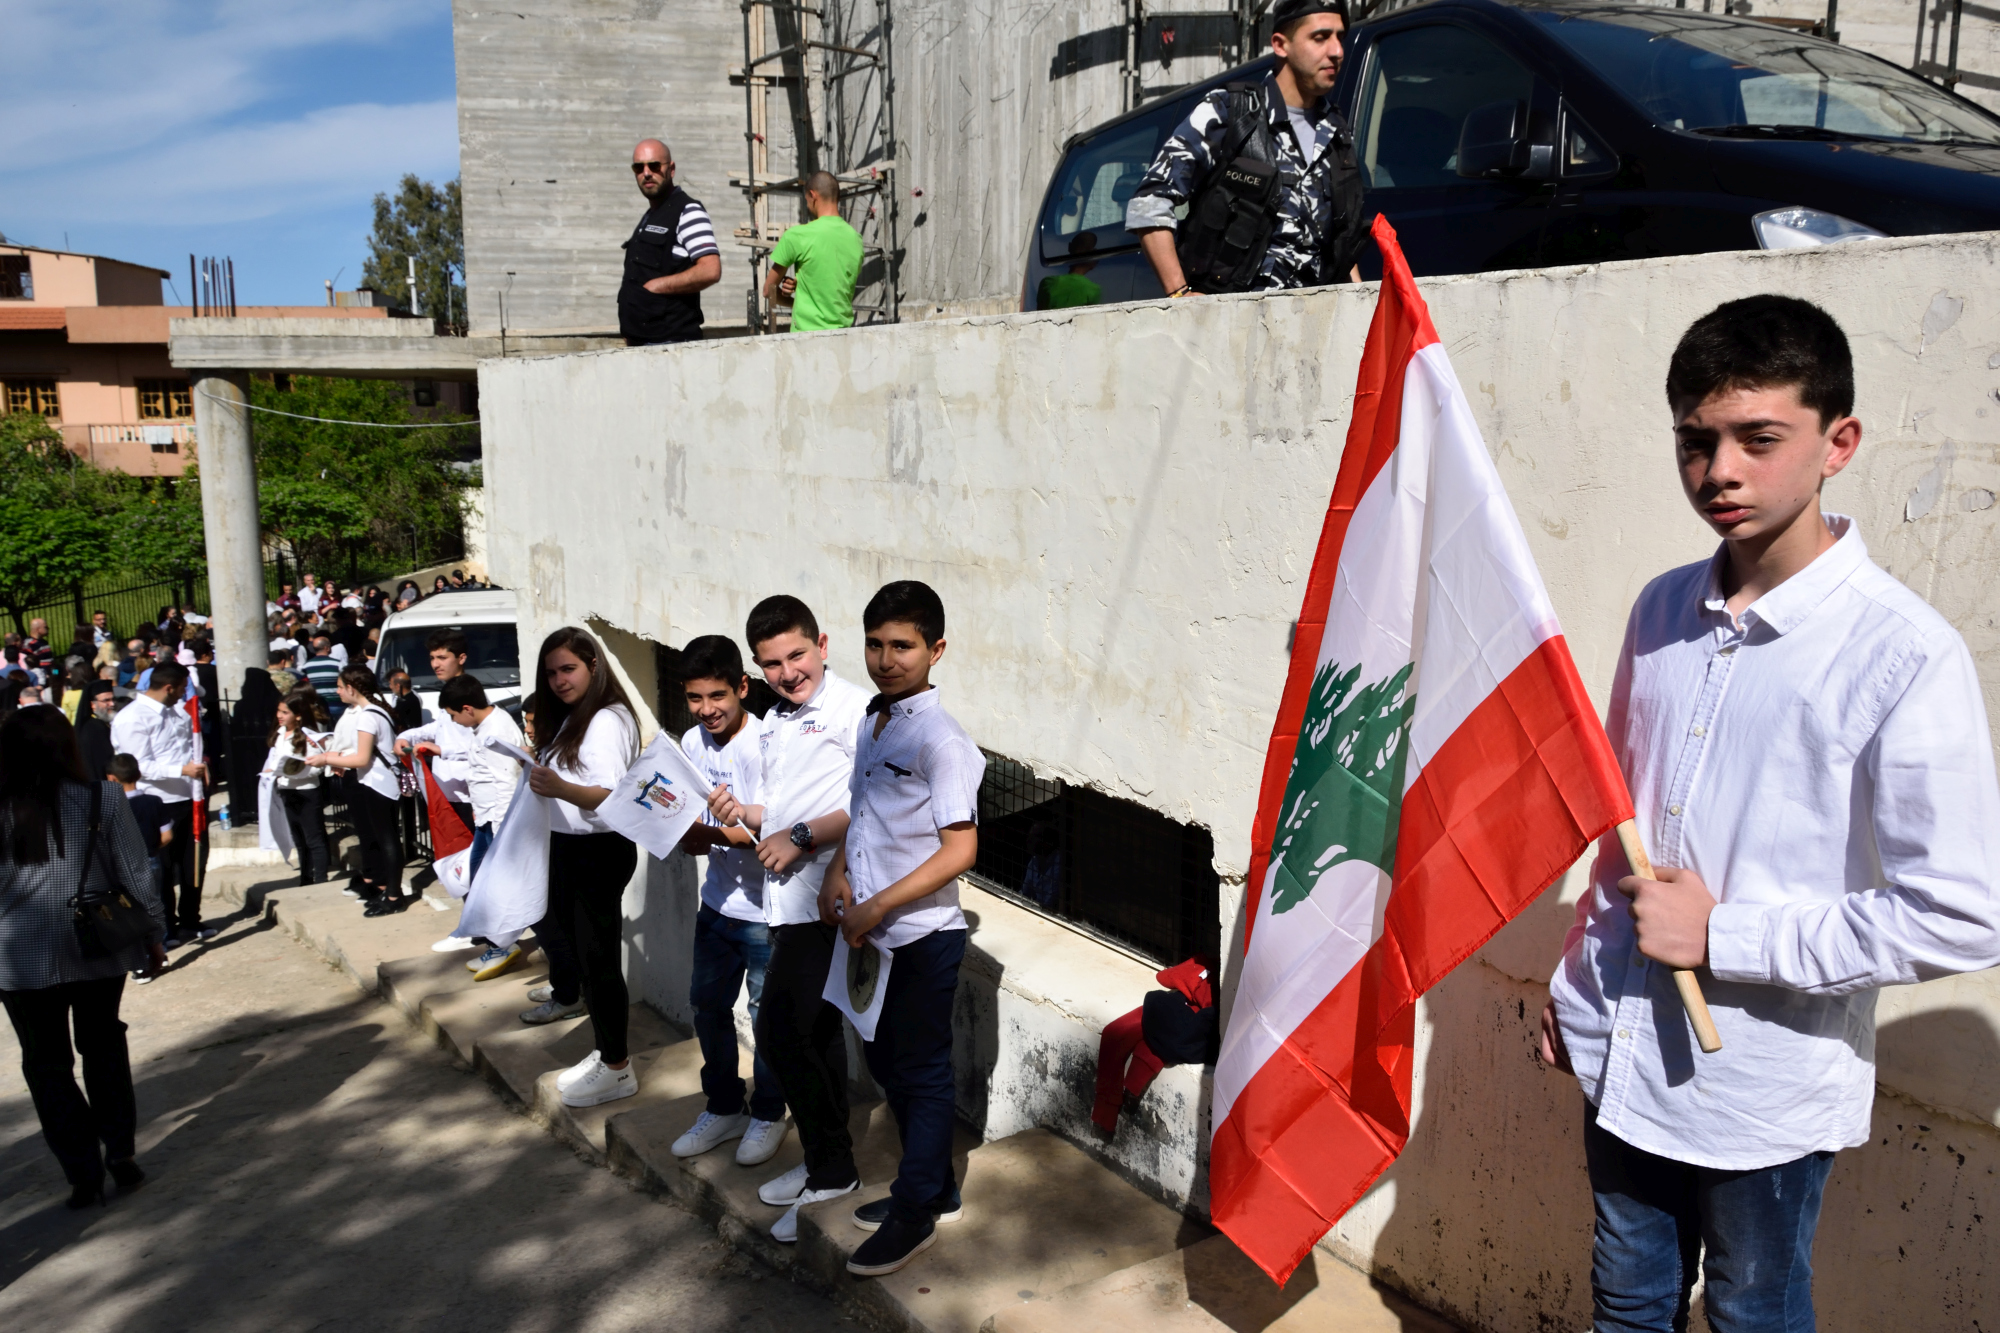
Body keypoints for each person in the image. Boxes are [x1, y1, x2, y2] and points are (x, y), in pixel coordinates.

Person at [1541, 295, 2000, 1333]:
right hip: (1620, 1052)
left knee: (1752, 1312)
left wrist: (1723, 934)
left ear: (1836, 441)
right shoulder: (1660, 605)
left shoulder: (1898, 649)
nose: (1720, 471)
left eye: (1758, 438)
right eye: (1694, 441)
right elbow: (1626, 818)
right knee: (1625, 1302)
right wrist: (1580, 970)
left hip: (1760, 1087)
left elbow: (1962, 910)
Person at [819, 581, 982, 1275]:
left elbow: (960, 849)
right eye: (877, 644)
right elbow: (865, 811)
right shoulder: (873, 718)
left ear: (935, 649)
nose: (887, 659)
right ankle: (934, 1182)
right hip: (872, 935)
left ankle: (916, 1210)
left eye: (904, 646)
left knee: (920, 1070)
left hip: (920, 937)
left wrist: (879, 904)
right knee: (887, 1065)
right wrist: (837, 871)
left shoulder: (942, 740)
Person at [708, 595, 870, 1244]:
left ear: (823, 644)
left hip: (827, 901)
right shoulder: (777, 718)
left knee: (781, 1031)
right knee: (815, 1035)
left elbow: (871, 799)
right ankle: (826, 1161)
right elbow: (784, 805)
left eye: (797, 654)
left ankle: (832, 1170)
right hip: (786, 900)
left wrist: (803, 835)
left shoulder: (853, 709)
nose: (787, 670)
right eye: (772, 662)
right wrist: (744, 811)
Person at [0, 707, 166, 1207]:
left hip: (18, 956)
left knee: (46, 1065)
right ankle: (120, 1153)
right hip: (95, 942)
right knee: (103, 1046)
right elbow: (136, 874)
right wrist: (153, 932)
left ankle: (82, 1173)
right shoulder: (103, 797)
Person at [1126, 0, 1365, 298]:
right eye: (1320, 37)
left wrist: (1359, 304)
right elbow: (1150, 201)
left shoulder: (1337, 131)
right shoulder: (1231, 112)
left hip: (1313, 326)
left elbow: (1340, 243)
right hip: (1232, 326)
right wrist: (1180, 295)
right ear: (1280, 45)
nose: (1337, 51)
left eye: (1340, 37)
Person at [668, 635, 787, 1166]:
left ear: (743, 687)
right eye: (695, 698)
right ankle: (723, 1107)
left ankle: (768, 1114)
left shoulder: (765, 745)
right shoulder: (692, 743)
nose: (707, 710)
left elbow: (775, 829)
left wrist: (711, 836)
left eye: (717, 695)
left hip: (767, 912)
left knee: (766, 1021)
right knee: (707, 1007)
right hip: (716, 905)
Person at [524, 628, 643, 1107]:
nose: (558, 680)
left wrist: (559, 788)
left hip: (598, 849)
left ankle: (617, 1067)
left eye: (567, 668)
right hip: (569, 847)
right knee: (582, 959)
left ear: (593, 665)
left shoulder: (607, 720)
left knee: (598, 962)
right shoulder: (578, 716)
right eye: (551, 672)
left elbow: (612, 794)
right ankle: (606, 1052)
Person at [108, 660, 210, 947]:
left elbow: (188, 747)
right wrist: (181, 770)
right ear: (169, 687)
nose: (183, 694)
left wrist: (200, 767)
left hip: (188, 796)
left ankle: (191, 919)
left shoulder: (176, 713)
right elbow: (136, 764)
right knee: (161, 869)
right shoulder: (132, 718)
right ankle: (166, 927)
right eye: (181, 689)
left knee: (194, 861)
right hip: (157, 801)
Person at [305, 666, 408, 915]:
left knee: (388, 841)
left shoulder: (366, 715)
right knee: (387, 839)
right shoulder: (376, 711)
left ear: (352, 688)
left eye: (341, 687)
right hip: (381, 784)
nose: (338, 691)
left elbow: (361, 758)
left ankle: (394, 896)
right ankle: (390, 891)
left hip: (378, 785)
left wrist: (327, 759)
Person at [618, 138, 721, 347]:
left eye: (654, 166)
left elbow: (710, 270)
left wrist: (657, 286)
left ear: (671, 169)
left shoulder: (688, 211)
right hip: (643, 344)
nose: (646, 173)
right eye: (639, 167)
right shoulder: (651, 215)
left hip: (671, 346)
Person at [765, 171, 862, 333]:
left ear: (812, 195)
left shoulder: (796, 236)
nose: (807, 204)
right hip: (844, 337)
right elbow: (834, 285)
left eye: (806, 200)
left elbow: (768, 291)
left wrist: (796, 301)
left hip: (806, 340)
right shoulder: (856, 239)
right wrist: (804, 285)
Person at [109, 752, 174, 984]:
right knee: (154, 904)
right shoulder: (153, 802)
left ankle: (140, 962)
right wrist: (152, 849)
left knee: (129, 913)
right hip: (150, 858)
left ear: (111, 779)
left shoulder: (111, 808)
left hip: (120, 867)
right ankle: (161, 947)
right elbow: (167, 835)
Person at [262, 690, 332, 885]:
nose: (279, 716)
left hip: (306, 790)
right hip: (286, 790)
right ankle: (305, 877)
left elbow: (317, 766)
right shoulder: (280, 734)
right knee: (299, 839)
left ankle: (320, 878)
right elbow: (275, 760)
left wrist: (296, 771)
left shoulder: (310, 737)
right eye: (279, 711)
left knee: (313, 837)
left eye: (285, 712)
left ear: (298, 715)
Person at [74, 689, 116, 784]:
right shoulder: (95, 728)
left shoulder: (100, 724)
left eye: (113, 699)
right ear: (93, 705)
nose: (112, 704)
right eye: (106, 700)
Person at [301, 635, 343, 719]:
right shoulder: (338, 664)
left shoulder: (306, 666)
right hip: (337, 705)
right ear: (327, 648)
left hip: (318, 708)